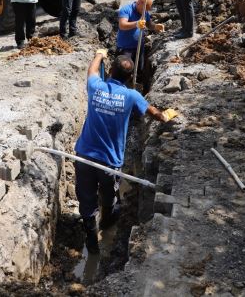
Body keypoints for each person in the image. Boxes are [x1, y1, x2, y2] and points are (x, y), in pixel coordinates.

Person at [75, 51, 178, 254]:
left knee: (86, 199)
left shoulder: (96, 87)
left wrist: (98, 55)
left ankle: (92, 242)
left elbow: (92, 70)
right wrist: (166, 116)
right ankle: (107, 221)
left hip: (84, 156)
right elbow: (154, 113)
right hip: (109, 162)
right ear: (130, 78)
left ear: (111, 71)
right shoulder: (132, 95)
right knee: (109, 196)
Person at [116, 0, 165, 71]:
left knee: (139, 69)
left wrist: (156, 26)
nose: (144, 12)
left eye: (146, 11)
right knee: (125, 70)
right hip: (126, 48)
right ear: (138, 3)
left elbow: (149, 24)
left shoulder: (144, 12)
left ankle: (138, 81)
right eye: (143, 10)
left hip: (139, 46)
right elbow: (122, 25)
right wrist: (136, 24)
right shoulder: (126, 9)